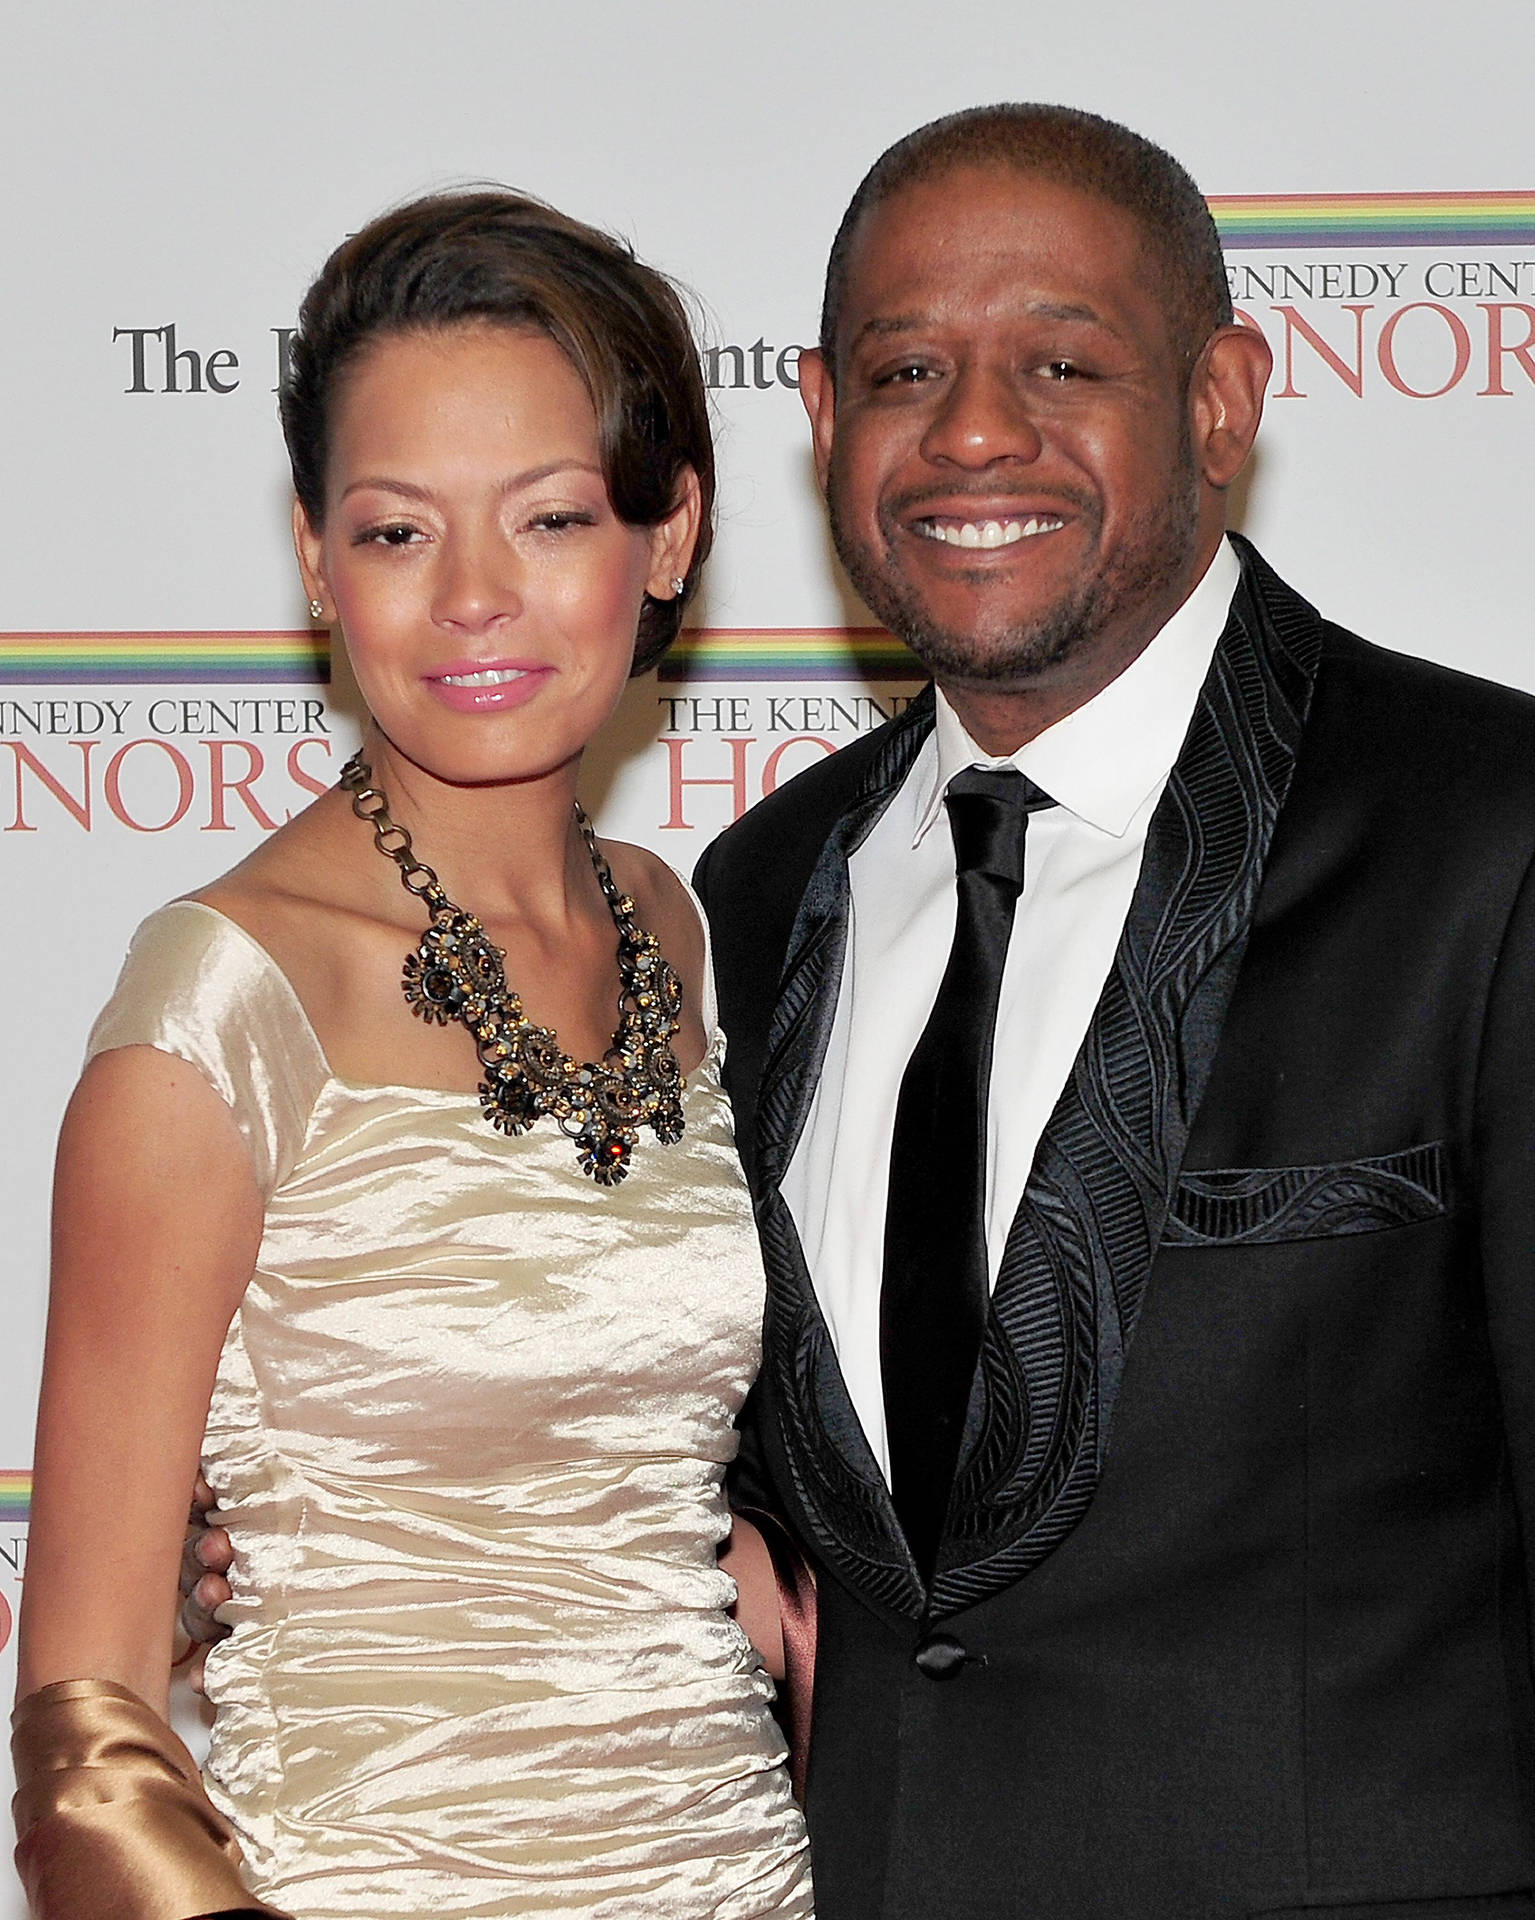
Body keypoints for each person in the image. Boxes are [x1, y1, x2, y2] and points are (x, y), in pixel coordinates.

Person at [692, 105, 1535, 1918]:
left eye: (1061, 360)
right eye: (908, 368)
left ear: (1222, 399)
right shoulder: (756, 900)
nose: (974, 430)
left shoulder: (1491, 838)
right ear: (827, 424)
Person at [12, 189, 813, 1920]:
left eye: (548, 518)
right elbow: (83, 1738)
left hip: (743, 1880)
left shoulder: (678, 933)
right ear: (313, 557)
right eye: (394, 532)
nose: (472, 599)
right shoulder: (223, 1002)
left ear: (667, 537)